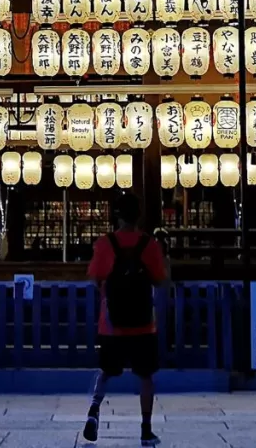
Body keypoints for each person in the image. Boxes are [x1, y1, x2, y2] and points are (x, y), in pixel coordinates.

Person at [82, 192, 168, 448]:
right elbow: (160, 280)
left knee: (106, 371)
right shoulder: (149, 244)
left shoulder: (105, 244)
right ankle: (146, 428)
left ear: (117, 216)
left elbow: (95, 278)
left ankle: (94, 410)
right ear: (138, 215)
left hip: (111, 324)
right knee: (146, 376)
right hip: (143, 323)